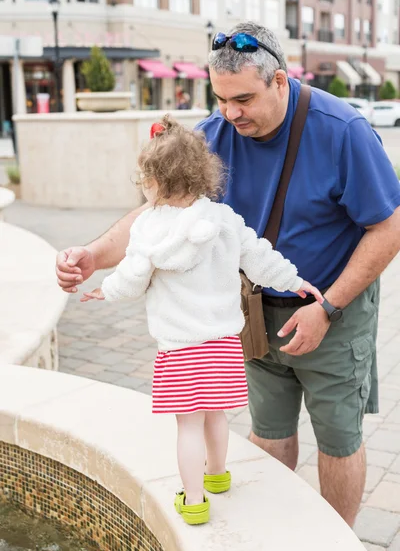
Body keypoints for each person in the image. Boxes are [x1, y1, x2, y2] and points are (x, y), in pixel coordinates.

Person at [56, 22, 400, 527]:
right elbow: (156, 214)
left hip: (332, 309)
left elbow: (389, 228)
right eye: (220, 99)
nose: (229, 113)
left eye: (243, 99)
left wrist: (326, 308)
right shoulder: (212, 135)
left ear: (280, 82)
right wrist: (93, 254)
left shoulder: (342, 129)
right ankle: (273, 531)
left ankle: (339, 539)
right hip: (253, 314)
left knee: (338, 440)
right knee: (269, 431)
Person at [78, 115, 322, 525]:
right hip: (223, 343)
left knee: (187, 427)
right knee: (216, 415)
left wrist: (107, 290)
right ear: (201, 173)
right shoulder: (224, 220)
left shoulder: (149, 229)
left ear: (153, 180)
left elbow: (132, 278)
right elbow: (261, 258)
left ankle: (193, 501)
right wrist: (295, 282)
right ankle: (218, 476)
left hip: (178, 347)